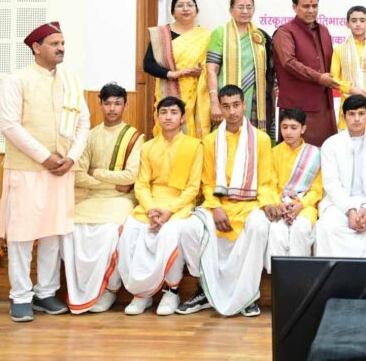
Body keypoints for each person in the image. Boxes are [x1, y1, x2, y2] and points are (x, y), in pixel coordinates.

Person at [0, 22, 90, 322]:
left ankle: (45, 292)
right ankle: (20, 296)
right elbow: (10, 125)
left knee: (54, 232)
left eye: (63, 43)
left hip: (62, 170)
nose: (61, 48)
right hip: (27, 170)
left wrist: (71, 158)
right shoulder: (16, 81)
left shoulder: (71, 82)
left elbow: (84, 124)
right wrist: (44, 157)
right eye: (54, 43)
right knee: (22, 235)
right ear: (36, 48)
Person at [177, 85, 274, 317]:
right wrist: (216, 207)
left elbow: (266, 179)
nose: (232, 112)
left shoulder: (261, 139)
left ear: (244, 105)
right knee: (189, 229)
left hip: (250, 204)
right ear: (220, 108)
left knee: (259, 227)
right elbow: (207, 183)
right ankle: (204, 288)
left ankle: (248, 295)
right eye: (226, 106)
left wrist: (268, 203)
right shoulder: (210, 141)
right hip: (219, 205)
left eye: (236, 105)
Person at [63, 83, 144, 314]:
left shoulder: (135, 137)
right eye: (107, 103)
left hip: (121, 199)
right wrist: (112, 182)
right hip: (92, 199)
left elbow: (130, 177)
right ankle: (81, 290)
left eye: (117, 103)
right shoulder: (89, 136)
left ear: (126, 106)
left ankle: (109, 289)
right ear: (99, 105)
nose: (112, 108)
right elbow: (78, 176)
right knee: (70, 231)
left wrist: (96, 172)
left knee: (111, 232)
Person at [118, 96, 202, 316]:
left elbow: (193, 188)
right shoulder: (148, 147)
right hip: (150, 205)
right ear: (157, 117)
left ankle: (172, 291)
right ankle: (141, 294)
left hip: (178, 206)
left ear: (182, 118)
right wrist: (150, 209)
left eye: (174, 112)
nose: (168, 117)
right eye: (163, 112)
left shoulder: (193, 146)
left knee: (170, 233)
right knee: (129, 233)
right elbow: (141, 184)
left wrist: (169, 211)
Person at [316, 95, 366, 257]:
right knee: (327, 227)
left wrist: (365, 207)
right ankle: (336, 273)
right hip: (338, 203)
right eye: (351, 114)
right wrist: (349, 209)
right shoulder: (330, 144)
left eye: (361, 114)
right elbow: (331, 184)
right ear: (344, 117)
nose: (356, 119)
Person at [273, 0, 337, 147]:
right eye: (306, 6)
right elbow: (289, 62)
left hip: (324, 105)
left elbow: (333, 62)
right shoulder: (285, 32)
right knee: (297, 154)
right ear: (295, 7)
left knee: (325, 152)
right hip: (297, 108)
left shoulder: (323, 31)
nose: (311, 10)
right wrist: (319, 78)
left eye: (315, 6)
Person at [145, 0, 212, 138]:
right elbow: (148, 64)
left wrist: (202, 72)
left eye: (190, 5)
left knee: (192, 132)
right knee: (167, 127)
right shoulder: (161, 35)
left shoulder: (206, 36)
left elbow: (214, 66)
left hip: (196, 94)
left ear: (196, 10)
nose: (185, 9)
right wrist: (172, 74)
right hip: (167, 90)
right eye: (180, 5)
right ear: (173, 11)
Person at [207, 0, 275, 134]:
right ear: (231, 10)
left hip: (254, 100)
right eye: (240, 7)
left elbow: (270, 68)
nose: (245, 11)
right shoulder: (220, 33)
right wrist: (214, 102)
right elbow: (211, 70)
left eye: (249, 7)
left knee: (252, 139)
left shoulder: (259, 35)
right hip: (227, 97)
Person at [266, 108, 322, 272]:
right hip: (280, 205)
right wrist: (279, 204)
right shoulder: (273, 153)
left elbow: (317, 189)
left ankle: (299, 275)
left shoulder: (314, 154)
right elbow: (270, 184)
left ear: (303, 129)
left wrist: (301, 205)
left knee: (301, 228)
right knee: (276, 229)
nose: (288, 132)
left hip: (305, 206)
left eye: (294, 127)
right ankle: (279, 276)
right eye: (284, 127)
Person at [330, 6, 366, 135]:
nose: (358, 24)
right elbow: (333, 79)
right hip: (349, 108)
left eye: (362, 20)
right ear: (347, 24)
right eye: (354, 20)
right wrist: (351, 89)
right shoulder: (339, 49)